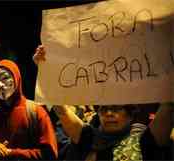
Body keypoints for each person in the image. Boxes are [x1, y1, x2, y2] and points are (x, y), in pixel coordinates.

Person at [33, 45, 174, 161]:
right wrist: (45, 70)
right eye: (103, 109)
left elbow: (169, 106)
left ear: (131, 114)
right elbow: (61, 110)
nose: (109, 114)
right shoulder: (88, 137)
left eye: (116, 109)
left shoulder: (146, 140)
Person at [0, 59, 58, 160]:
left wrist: (11, 153)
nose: (0, 85)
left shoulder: (36, 112)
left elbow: (50, 154)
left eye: (5, 78)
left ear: (16, 78)